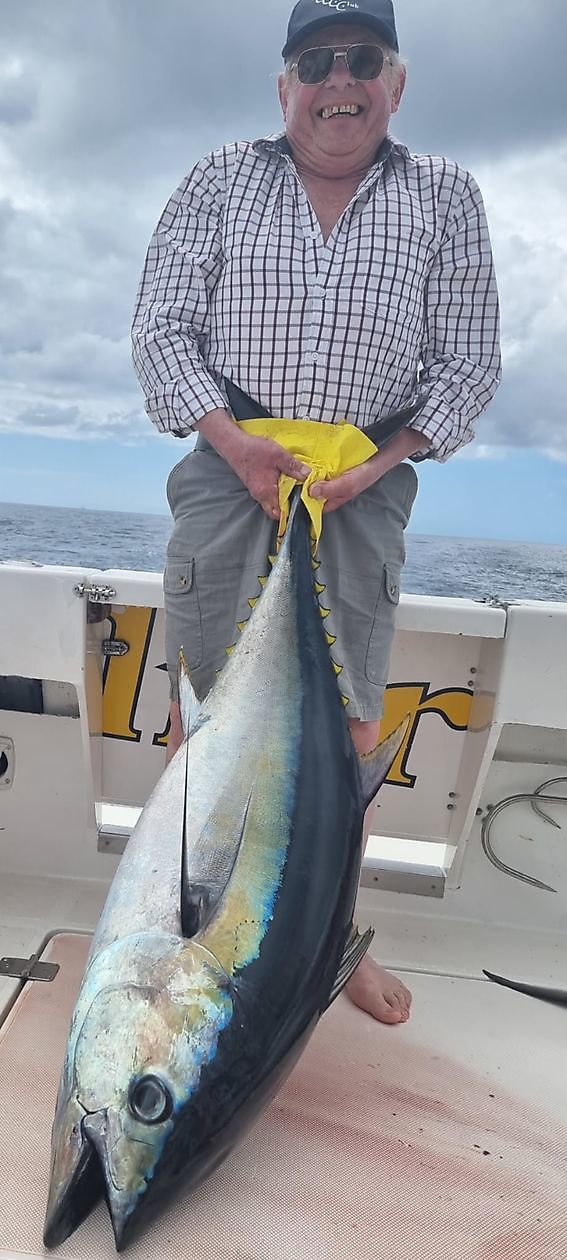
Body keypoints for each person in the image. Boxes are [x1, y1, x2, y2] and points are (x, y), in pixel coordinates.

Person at [132, 0, 501, 1026]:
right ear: (284, 84)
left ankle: (327, 939)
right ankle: (170, 926)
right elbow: (161, 329)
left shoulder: (445, 194)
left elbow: (467, 362)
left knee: (347, 731)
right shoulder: (219, 177)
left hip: (362, 487)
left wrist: (379, 464)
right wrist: (236, 444)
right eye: (317, 62)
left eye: (362, 60)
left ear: (397, 81)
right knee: (201, 715)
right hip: (228, 470)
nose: (340, 81)